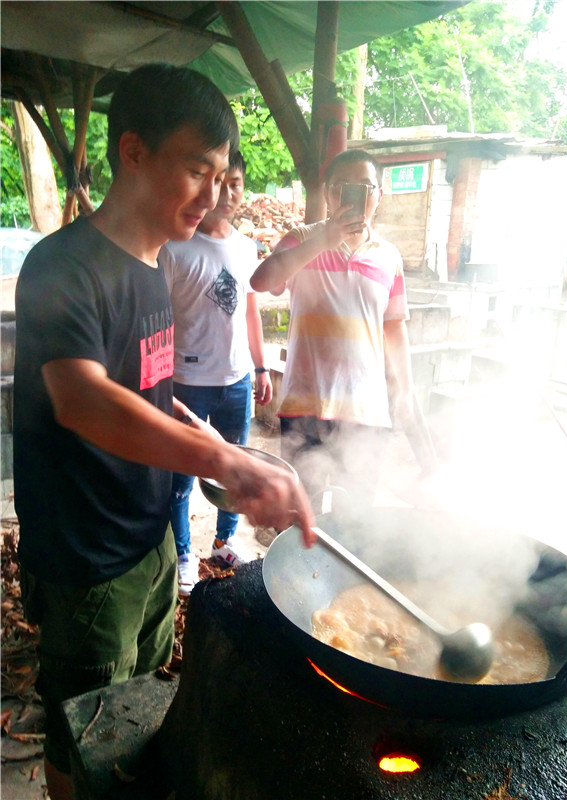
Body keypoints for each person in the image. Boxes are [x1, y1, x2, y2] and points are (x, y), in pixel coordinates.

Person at [13, 63, 315, 800]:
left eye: (220, 174)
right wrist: (228, 464)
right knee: (81, 729)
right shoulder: (63, 266)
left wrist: (220, 451)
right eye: (196, 170)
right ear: (134, 152)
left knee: (134, 707)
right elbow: (83, 399)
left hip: (146, 539)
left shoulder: (154, 266)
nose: (213, 194)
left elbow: (147, 391)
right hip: (87, 555)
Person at [250, 148, 437, 510]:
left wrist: (405, 391)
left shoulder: (389, 257)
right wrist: (325, 239)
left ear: (379, 195)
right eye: (342, 186)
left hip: (366, 414)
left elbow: (394, 328)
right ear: (328, 193)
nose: (354, 196)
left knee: (355, 524)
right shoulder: (302, 238)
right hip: (305, 406)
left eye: (365, 187)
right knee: (300, 517)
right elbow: (261, 280)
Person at [160, 152, 273, 591]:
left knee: (233, 471)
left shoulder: (246, 248)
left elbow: (250, 312)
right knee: (180, 477)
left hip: (237, 380)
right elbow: (160, 318)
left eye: (235, 183)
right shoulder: (175, 248)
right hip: (187, 383)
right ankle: (183, 553)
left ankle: (225, 542)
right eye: (219, 181)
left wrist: (260, 367)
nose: (226, 192)